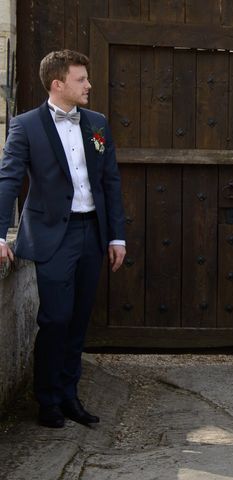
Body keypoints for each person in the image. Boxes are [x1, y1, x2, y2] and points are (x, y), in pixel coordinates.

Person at [0, 50, 126, 428]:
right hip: (52, 234)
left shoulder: (98, 124)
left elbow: (111, 182)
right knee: (56, 318)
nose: (89, 85)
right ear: (58, 84)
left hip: (93, 232)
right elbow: (8, 179)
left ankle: (71, 396)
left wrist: (117, 236)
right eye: (81, 79)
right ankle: (48, 400)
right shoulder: (25, 125)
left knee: (79, 319)